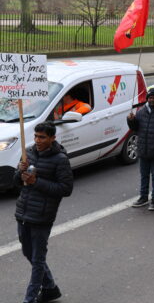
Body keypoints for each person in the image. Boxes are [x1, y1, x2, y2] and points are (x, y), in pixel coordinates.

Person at [14, 122, 73, 303]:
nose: (37, 140)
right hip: (23, 212)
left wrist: (36, 182)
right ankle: (50, 288)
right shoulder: (29, 153)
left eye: (42, 137)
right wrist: (20, 172)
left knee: (38, 260)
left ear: (52, 138)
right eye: (36, 136)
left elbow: (66, 188)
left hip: (42, 216)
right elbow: (17, 181)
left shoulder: (60, 160)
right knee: (28, 253)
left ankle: (29, 299)